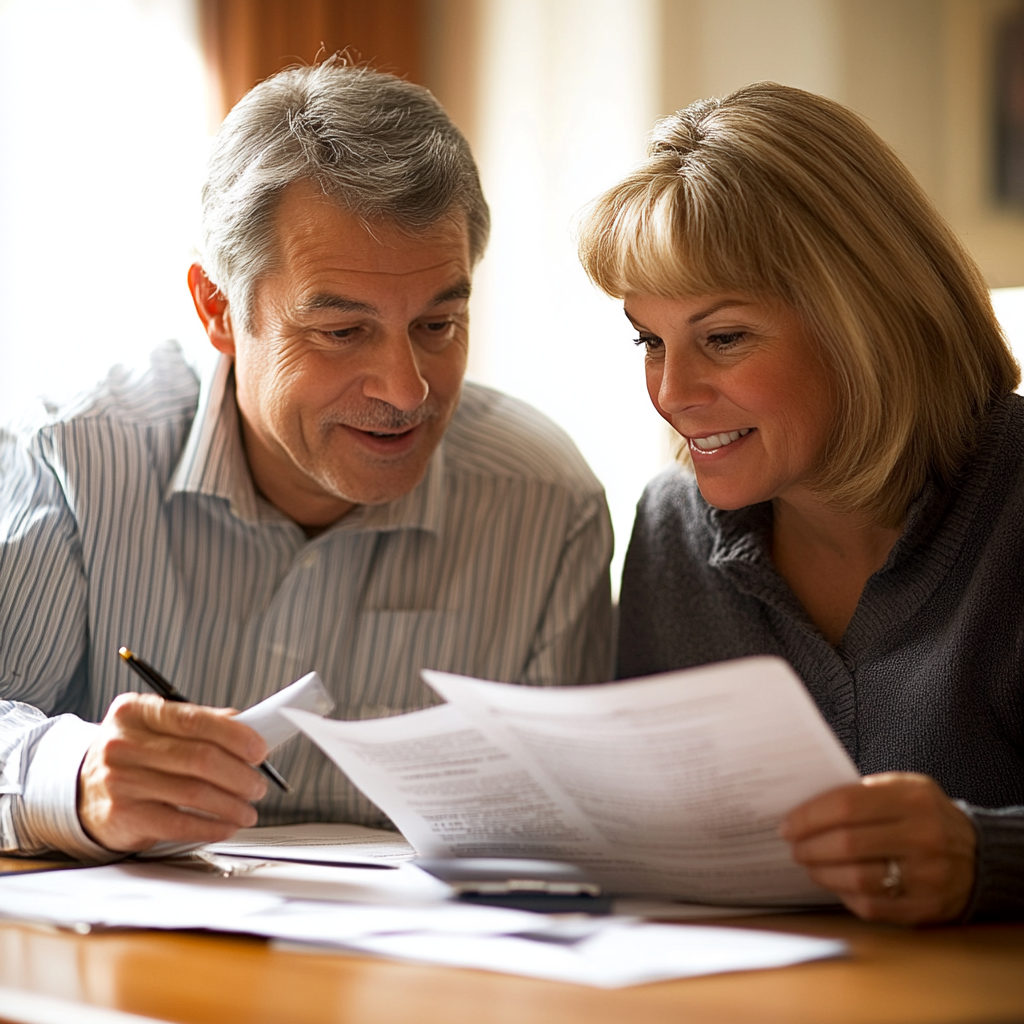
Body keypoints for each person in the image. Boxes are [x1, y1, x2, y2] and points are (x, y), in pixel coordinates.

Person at [0, 60, 612, 860]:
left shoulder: (546, 502)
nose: (406, 389)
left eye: (438, 325)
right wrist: (74, 776)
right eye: (341, 331)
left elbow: (572, 824)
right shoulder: (76, 462)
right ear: (219, 309)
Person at [576, 82, 1022, 924]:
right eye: (650, 341)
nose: (671, 393)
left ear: (867, 321)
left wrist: (982, 857)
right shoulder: (673, 529)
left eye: (724, 338)